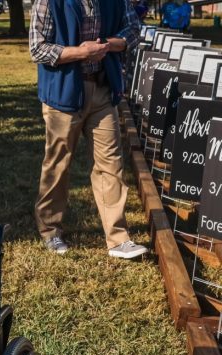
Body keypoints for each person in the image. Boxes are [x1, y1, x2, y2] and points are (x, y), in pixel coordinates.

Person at [29, 0, 148, 259]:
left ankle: (118, 239)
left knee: (111, 163)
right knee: (58, 163)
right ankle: (50, 230)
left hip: (103, 90)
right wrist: (81, 53)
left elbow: (133, 29)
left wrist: (109, 45)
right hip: (64, 92)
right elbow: (37, 48)